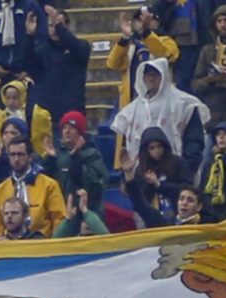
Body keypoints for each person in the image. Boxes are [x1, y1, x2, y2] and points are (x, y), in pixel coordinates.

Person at [110, 59, 208, 178]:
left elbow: (194, 139)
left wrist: (188, 167)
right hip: (144, 174)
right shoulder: (132, 109)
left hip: (176, 173)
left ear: (164, 76)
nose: (151, 78)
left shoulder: (183, 103)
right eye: (148, 75)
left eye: (155, 75)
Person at [106, 8, 179, 154]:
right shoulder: (129, 45)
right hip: (134, 101)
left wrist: (147, 34)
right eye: (139, 20)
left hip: (160, 104)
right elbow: (113, 63)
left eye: (147, 19)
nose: (142, 23)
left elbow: (165, 54)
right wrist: (124, 38)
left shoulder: (167, 41)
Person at [0, 138, 66, 239]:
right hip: (9, 245)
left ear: (30, 157)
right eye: (12, 155)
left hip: (41, 243)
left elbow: (59, 220)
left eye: (20, 154)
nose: (16, 159)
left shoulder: (49, 185)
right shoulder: (0, 190)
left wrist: (54, 244)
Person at [43, 111, 109, 217]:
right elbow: (45, 184)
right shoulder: (56, 155)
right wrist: (49, 160)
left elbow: (95, 187)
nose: (67, 131)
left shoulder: (92, 154)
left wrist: (76, 159)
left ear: (81, 132)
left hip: (85, 213)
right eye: (64, 128)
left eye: (72, 128)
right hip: (60, 213)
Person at [34, 6, 91, 125]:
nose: (55, 29)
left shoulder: (81, 46)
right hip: (47, 112)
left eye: (59, 25)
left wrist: (59, 26)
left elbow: (75, 46)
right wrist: (29, 36)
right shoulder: (41, 50)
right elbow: (28, 65)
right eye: (51, 25)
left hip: (73, 111)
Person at [0, 0, 43, 84]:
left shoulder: (31, 7)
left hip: (28, 75)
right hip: (0, 75)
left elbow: (42, 41)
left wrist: (29, 70)